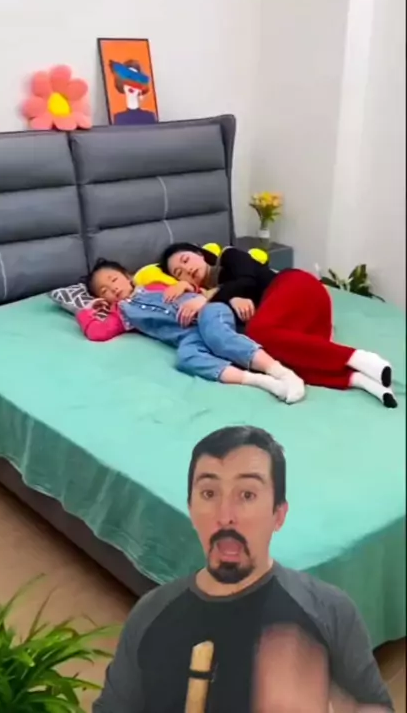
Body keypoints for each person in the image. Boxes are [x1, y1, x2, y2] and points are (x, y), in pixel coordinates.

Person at [93, 426, 393, 713]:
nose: (225, 516)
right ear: (191, 508)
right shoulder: (149, 615)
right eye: (209, 493)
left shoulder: (331, 611)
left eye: (247, 495)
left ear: (279, 514)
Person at [158, 242, 397, 408]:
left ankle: (359, 357)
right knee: (284, 360)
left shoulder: (228, 256)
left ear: (199, 253)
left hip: (295, 286)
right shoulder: (207, 303)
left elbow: (248, 279)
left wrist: (209, 296)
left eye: (186, 260)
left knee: (258, 333)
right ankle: (361, 380)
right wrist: (196, 292)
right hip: (290, 319)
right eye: (180, 273)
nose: (188, 270)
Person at [76, 259, 305, 403]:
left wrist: (183, 285)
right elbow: (98, 333)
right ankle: (260, 381)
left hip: (207, 312)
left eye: (114, 279)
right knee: (186, 358)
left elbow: (196, 290)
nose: (113, 288)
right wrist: (87, 310)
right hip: (187, 335)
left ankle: (281, 372)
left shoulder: (154, 284)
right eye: (104, 290)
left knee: (218, 337)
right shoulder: (121, 314)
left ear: (127, 276)